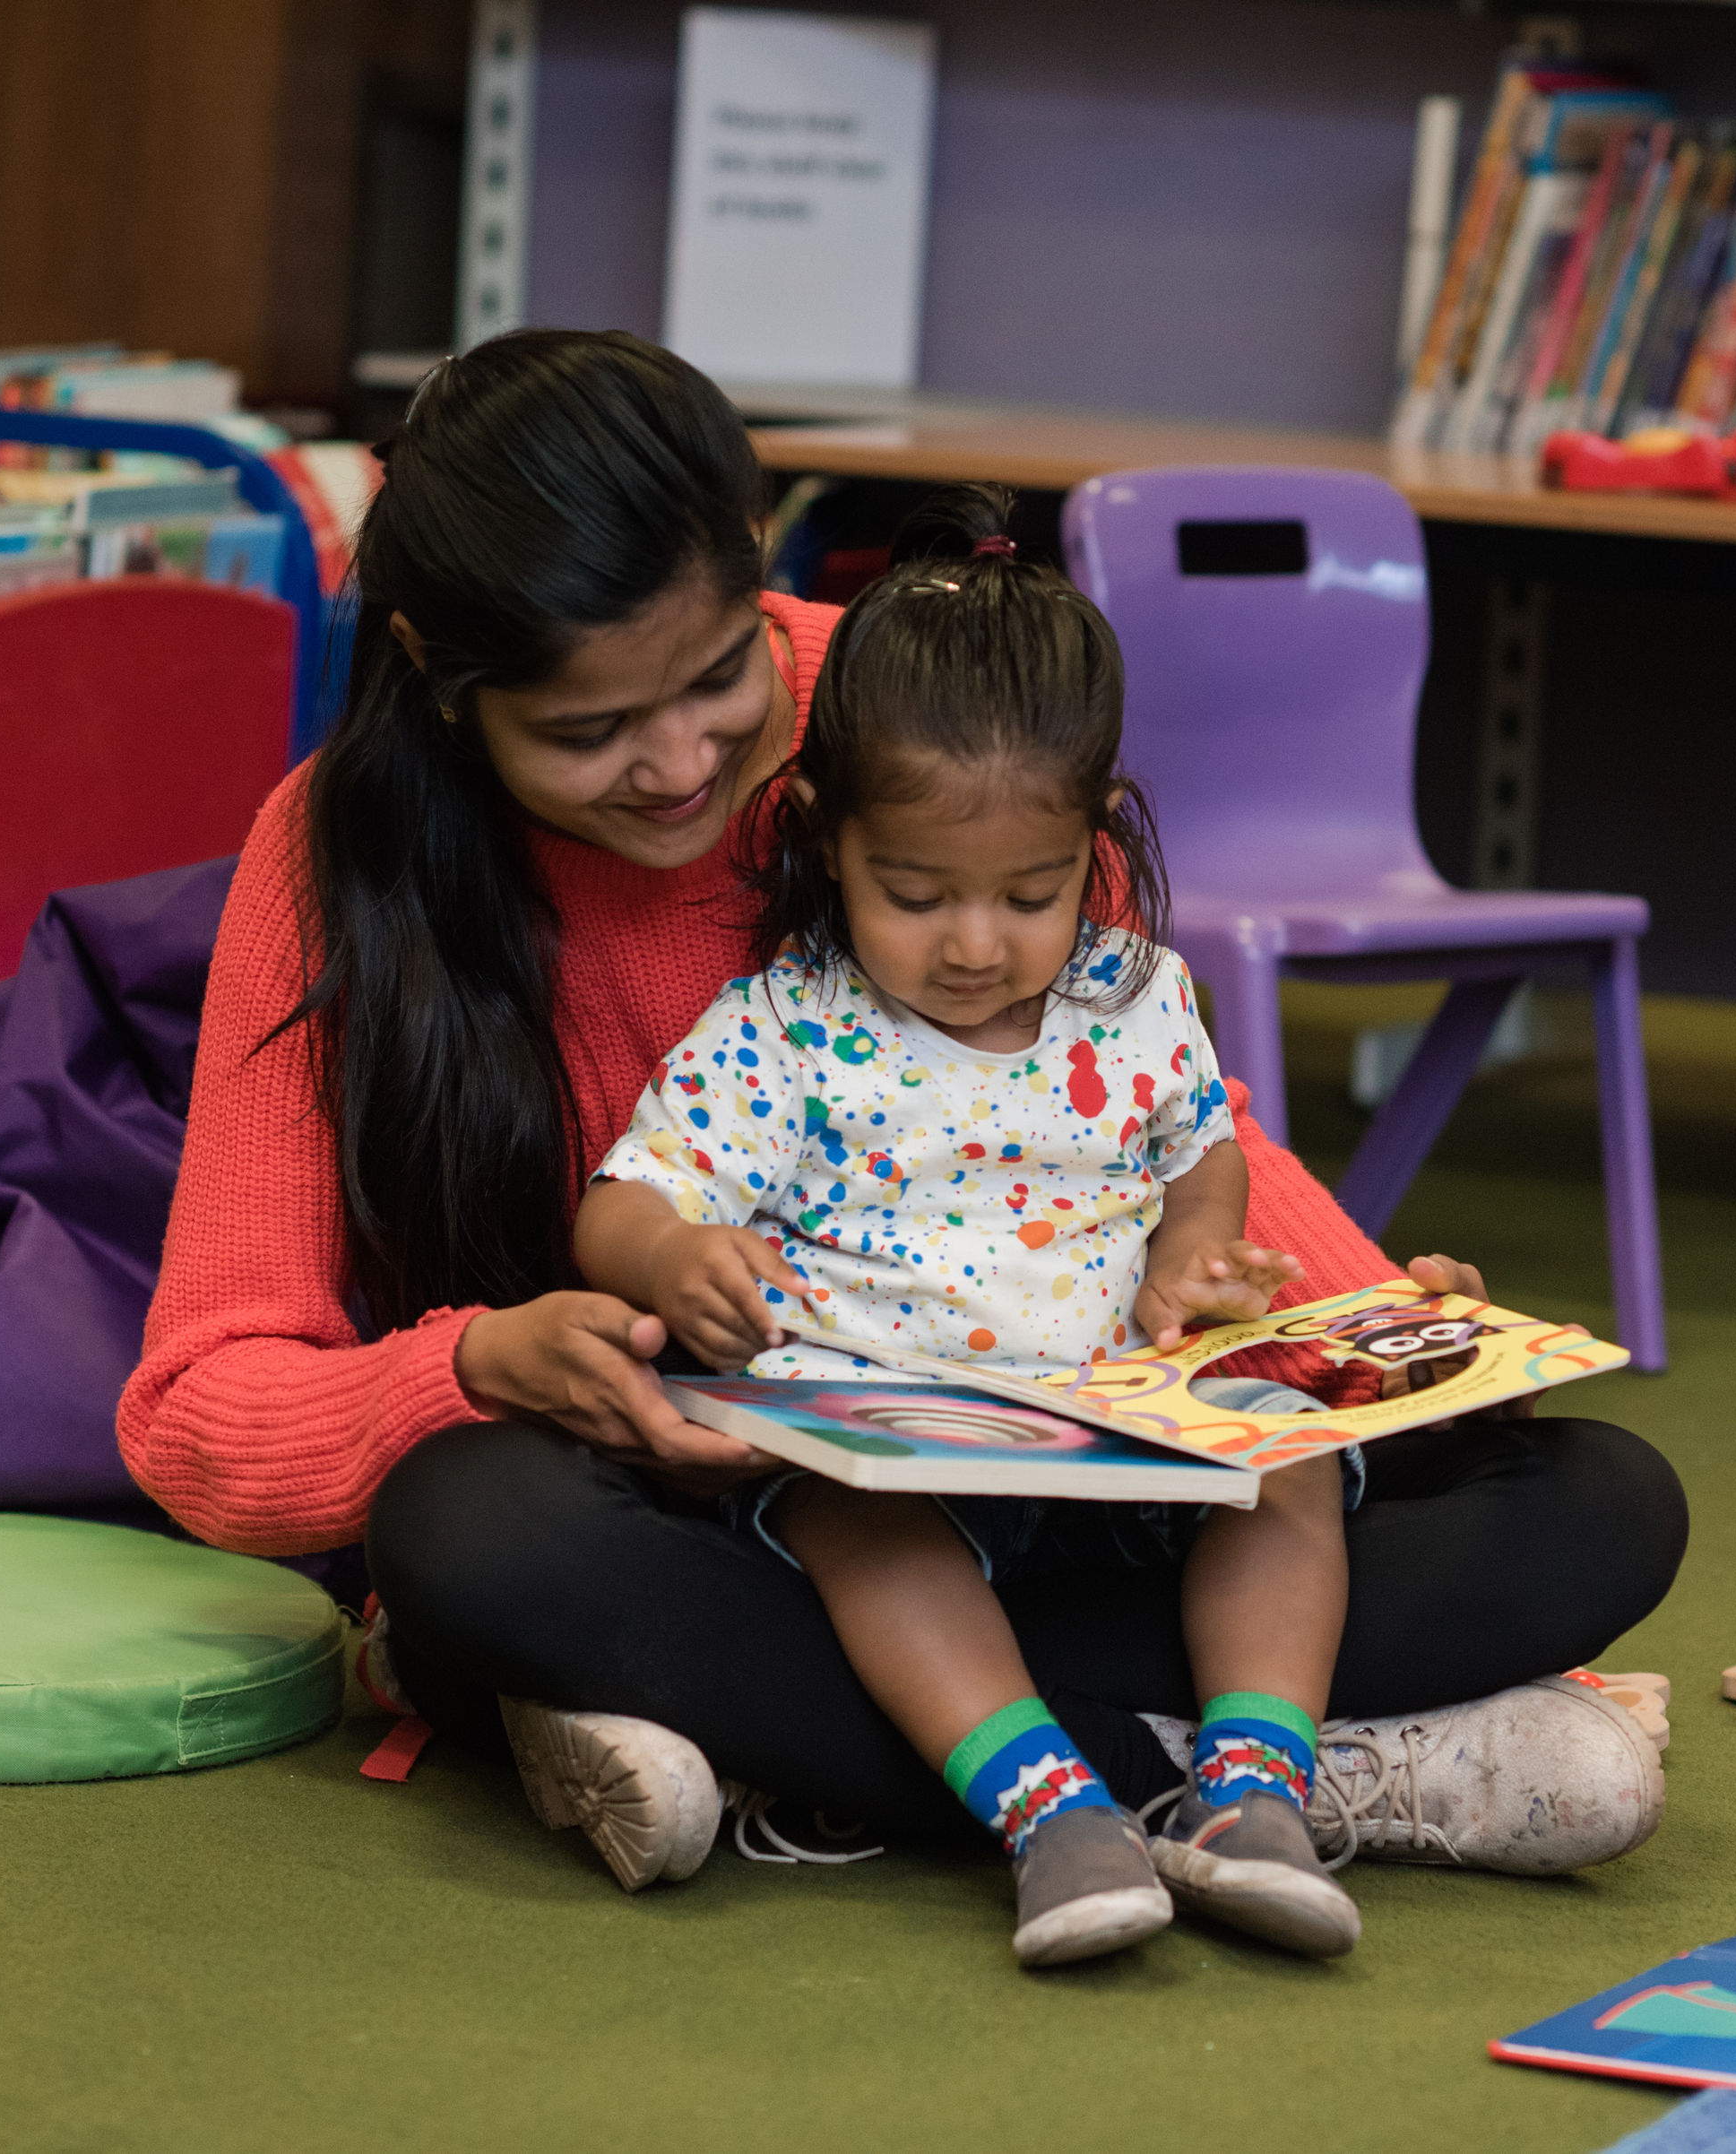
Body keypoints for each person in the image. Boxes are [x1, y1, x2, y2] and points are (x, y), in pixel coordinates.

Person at [117, 328, 1690, 1916]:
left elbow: (1151, 1123)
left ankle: (798, 1748)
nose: (679, 769)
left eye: (720, 675)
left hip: (1084, 1458)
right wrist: (472, 1365)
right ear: (442, 683)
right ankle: (1293, 1766)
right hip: (739, 1504)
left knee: (1598, 1503)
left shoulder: (942, 721)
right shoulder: (338, 855)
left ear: (757, 569)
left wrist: (1378, 1347)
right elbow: (197, 1418)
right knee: (470, 1536)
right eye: (587, 732)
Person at [579, 486, 1358, 1967]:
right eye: (915, 892)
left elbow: (1202, 1159)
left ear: (1097, 839)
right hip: (900, 1455)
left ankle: (1252, 1794)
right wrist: (674, 1258)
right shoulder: (787, 1031)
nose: (977, 944)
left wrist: (1200, 1261)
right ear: (823, 834)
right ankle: (1048, 1809)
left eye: (1033, 891)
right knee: (852, 1520)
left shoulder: (1138, 1001)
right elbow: (622, 1206)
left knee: (1303, 1459)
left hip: (1112, 1445)